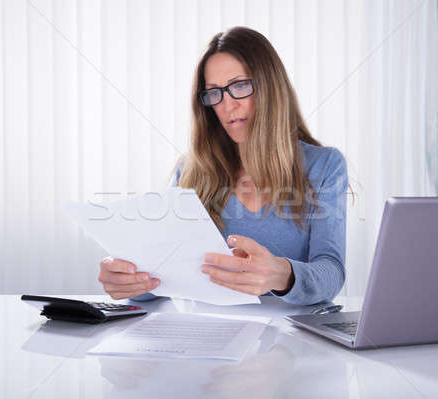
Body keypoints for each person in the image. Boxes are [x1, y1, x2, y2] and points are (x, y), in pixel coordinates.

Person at [97, 27, 348, 306]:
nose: (227, 105)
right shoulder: (192, 169)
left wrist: (281, 275)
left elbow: (332, 273)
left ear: (270, 87)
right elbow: (162, 273)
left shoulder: (324, 166)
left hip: (289, 340)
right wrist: (128, 278)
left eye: (239, 85)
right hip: (209, 333)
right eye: (214, 93)